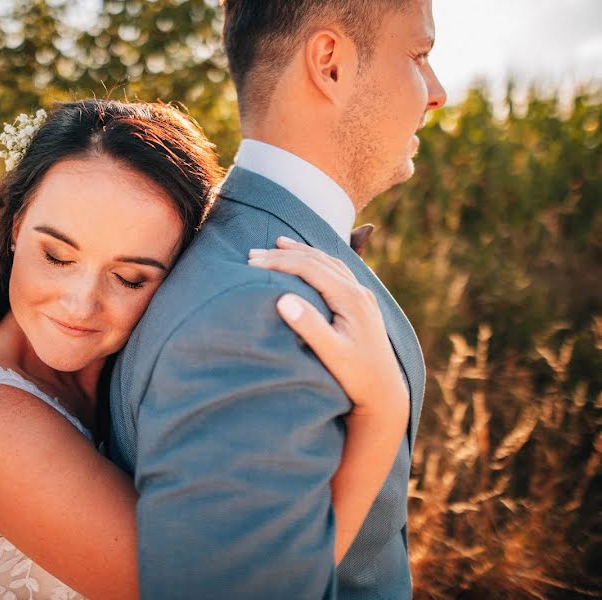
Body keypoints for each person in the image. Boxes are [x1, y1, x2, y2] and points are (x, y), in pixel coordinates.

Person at [0, 99, 411, 599]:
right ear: (17, 224)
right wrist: (383, 411)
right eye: (57, 256)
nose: (80, 306)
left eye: (130, 278)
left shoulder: (122, 370)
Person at [109, 0, 447, 598]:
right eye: (419, 55)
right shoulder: (257, 315)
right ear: (330, 64)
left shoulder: (235, 247)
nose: (437, 91)